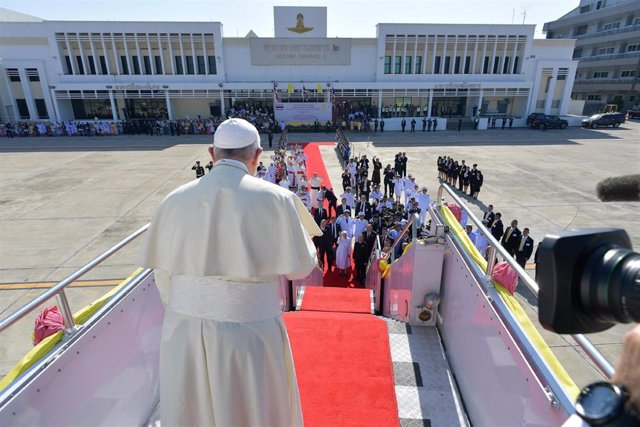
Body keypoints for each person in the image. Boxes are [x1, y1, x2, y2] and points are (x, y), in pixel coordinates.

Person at [139, 118, 320, 426]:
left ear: (212, 153)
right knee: (253, 411)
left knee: (191, 411)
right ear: (257, 154)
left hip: (183, 331)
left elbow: (163, 274)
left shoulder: (173, 200)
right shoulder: (276, 199)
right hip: (250, 334)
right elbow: (300, 268)